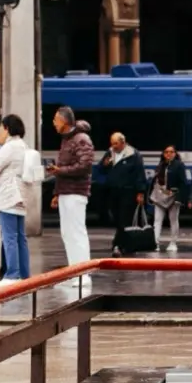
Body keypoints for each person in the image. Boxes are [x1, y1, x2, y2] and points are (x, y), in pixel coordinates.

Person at [0, 114, 32, 284]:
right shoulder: (24, 146)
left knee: (9, 236)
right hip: (20, 195)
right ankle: (25, 274)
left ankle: (12, 274)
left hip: (9, 195)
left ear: (7, 128)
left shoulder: (9, 147)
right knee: (20, 236)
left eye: (2, 128)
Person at [47, 108, 95, 266]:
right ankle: (75, 272)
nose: (53, 123)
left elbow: (85, 166)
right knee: (68, 233)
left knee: (76, 233)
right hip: (66, 192)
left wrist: (60, 170)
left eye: (55, 119)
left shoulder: (81, 139)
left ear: (64, 121)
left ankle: (83, 273)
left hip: (76, 192)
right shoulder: (67, 139)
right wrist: (57, 193)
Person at [101, 131, 145, 246]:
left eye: (116, 143)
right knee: (114, 216)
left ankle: (120, 243)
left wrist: (140, 192)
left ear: (123, 143)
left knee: (124, 217)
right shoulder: (109, 153)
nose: (113, 146)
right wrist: (105, 164)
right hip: (113, 190)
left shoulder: (134, 154)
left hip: (128, 191)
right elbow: (101, 169)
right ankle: (121, 240)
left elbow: (140, 174)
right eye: (112, 143)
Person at [150, 145, 187, 252]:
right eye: (166, 152)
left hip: (173, 197)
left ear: (175, 154)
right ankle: (155, 243)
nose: (168, 154)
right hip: (159, 197)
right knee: (157, 220)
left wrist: (180, 197)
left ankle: (173, 242)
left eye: (171, 152)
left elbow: (183, 182)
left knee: (173, 220)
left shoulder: (179, 165)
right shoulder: (160, 165)